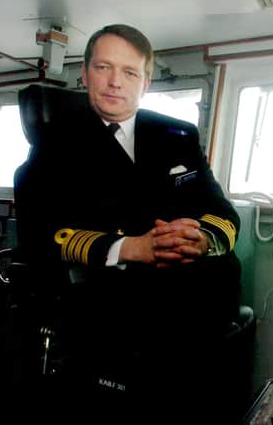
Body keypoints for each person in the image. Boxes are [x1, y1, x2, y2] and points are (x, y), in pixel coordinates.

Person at [13, 24, 241, 411]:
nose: (115, 82)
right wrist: (132, 248)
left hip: (201, 305)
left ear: (145, 81)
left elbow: (223, 213)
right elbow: (41, 235)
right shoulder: (54, 145)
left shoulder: (177, 134)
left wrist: (201, 237)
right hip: (115, 311)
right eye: (104, 67)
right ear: (84, 74)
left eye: (130, 72)